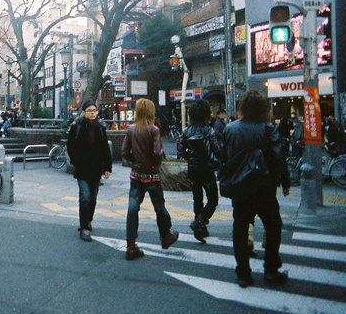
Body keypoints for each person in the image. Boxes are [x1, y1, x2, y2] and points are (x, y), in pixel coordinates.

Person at [221, 89, 290, 288]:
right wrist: (282, 181)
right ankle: (270, 269)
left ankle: (243, 273)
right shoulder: (268, 129)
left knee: (240, 228)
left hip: (240, 187)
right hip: (263, 187)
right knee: (273, 224)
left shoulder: (230, 129)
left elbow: (224, 158)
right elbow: (278, 159)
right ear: (263, 109)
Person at [121, 98, 179, 259]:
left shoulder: (131, 129)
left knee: (132, 210)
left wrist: (137, 162)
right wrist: (153, 164)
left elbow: (124, 152)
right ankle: (166, 236)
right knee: (159, 207)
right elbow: (158, 153)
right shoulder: (153, 130)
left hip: (136, 175)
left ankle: (131, 246)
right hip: (152, 176)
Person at [67, 100, 112, 243]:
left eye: (94, 110)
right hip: (82, 169)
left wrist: (107, 168)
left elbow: (105, 149)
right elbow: (70, 146)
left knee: (92, 198)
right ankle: (84, 227)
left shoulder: (100, 128)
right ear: (84, 112)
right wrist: (76, 162)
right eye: (90, 110)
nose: (93, 113)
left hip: (95, 169)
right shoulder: (78, 126)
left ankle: (88, 220)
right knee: (85, 197)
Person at [177, 100, 220, 244]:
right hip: (207, 169)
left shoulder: (186, 131)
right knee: (213, 199)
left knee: (197, 198)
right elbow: (216, 150)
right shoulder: (209, 131)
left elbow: (181, 150)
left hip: (193, 169)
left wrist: (191, 158)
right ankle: (200, 222)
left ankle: (199, 228)